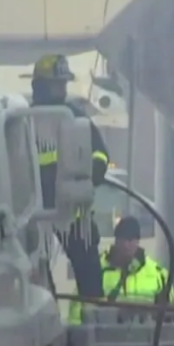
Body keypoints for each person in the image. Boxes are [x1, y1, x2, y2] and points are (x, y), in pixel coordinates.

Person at [30, 54, 111, 301]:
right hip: (35, 213)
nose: (62, 90)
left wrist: (93, 172)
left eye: (64, 84)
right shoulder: (23, 118)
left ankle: (95, 313)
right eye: (57, 84)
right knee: (35, 270)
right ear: (41, 86)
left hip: (72, 210)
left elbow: (100, 153)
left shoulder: (76, 116)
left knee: (88, 270)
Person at [68, 216, 173, 324]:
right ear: (116, 240)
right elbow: (78, 310)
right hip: (105, 338)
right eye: (123, 239)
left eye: (131, 240)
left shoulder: (159, 275)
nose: (126, 245)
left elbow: (170, 317)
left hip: (146, 339)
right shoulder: (94, 270)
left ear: (138, 241)